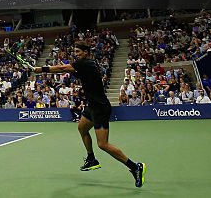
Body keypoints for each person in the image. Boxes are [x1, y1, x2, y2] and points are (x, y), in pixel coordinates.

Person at [32, 41, 146, 188]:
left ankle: (135, 167)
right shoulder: (85, 65)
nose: (76, 54)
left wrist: (40, 69)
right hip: (92, 106)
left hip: (100, 108)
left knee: (103, 144)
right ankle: (91, 159)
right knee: (82, 128)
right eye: (75, 52)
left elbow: (61, 68)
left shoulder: (86, 63)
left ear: (86, 52)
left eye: (78, 52)